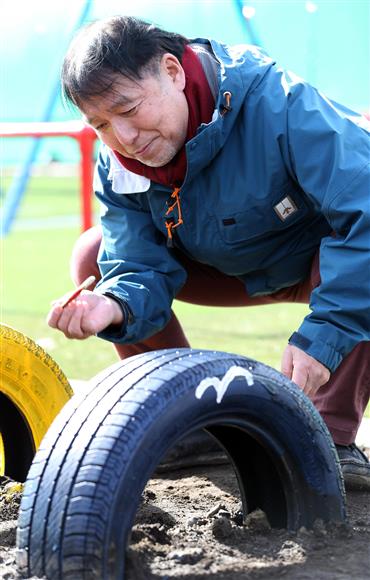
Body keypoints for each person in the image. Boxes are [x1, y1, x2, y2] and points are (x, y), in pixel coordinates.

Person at [47, 16, 370, 489]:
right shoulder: (119, 160)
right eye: (100, 124)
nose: (125, 139)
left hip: (315, 258)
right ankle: (190, 428)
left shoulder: (280, 104)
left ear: (173, 71)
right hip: (218, 264)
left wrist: (326, 336)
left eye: (128, 108)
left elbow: (365, 211)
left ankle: (330, 436)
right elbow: (133, 261)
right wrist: (113, 306)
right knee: (94, 255)